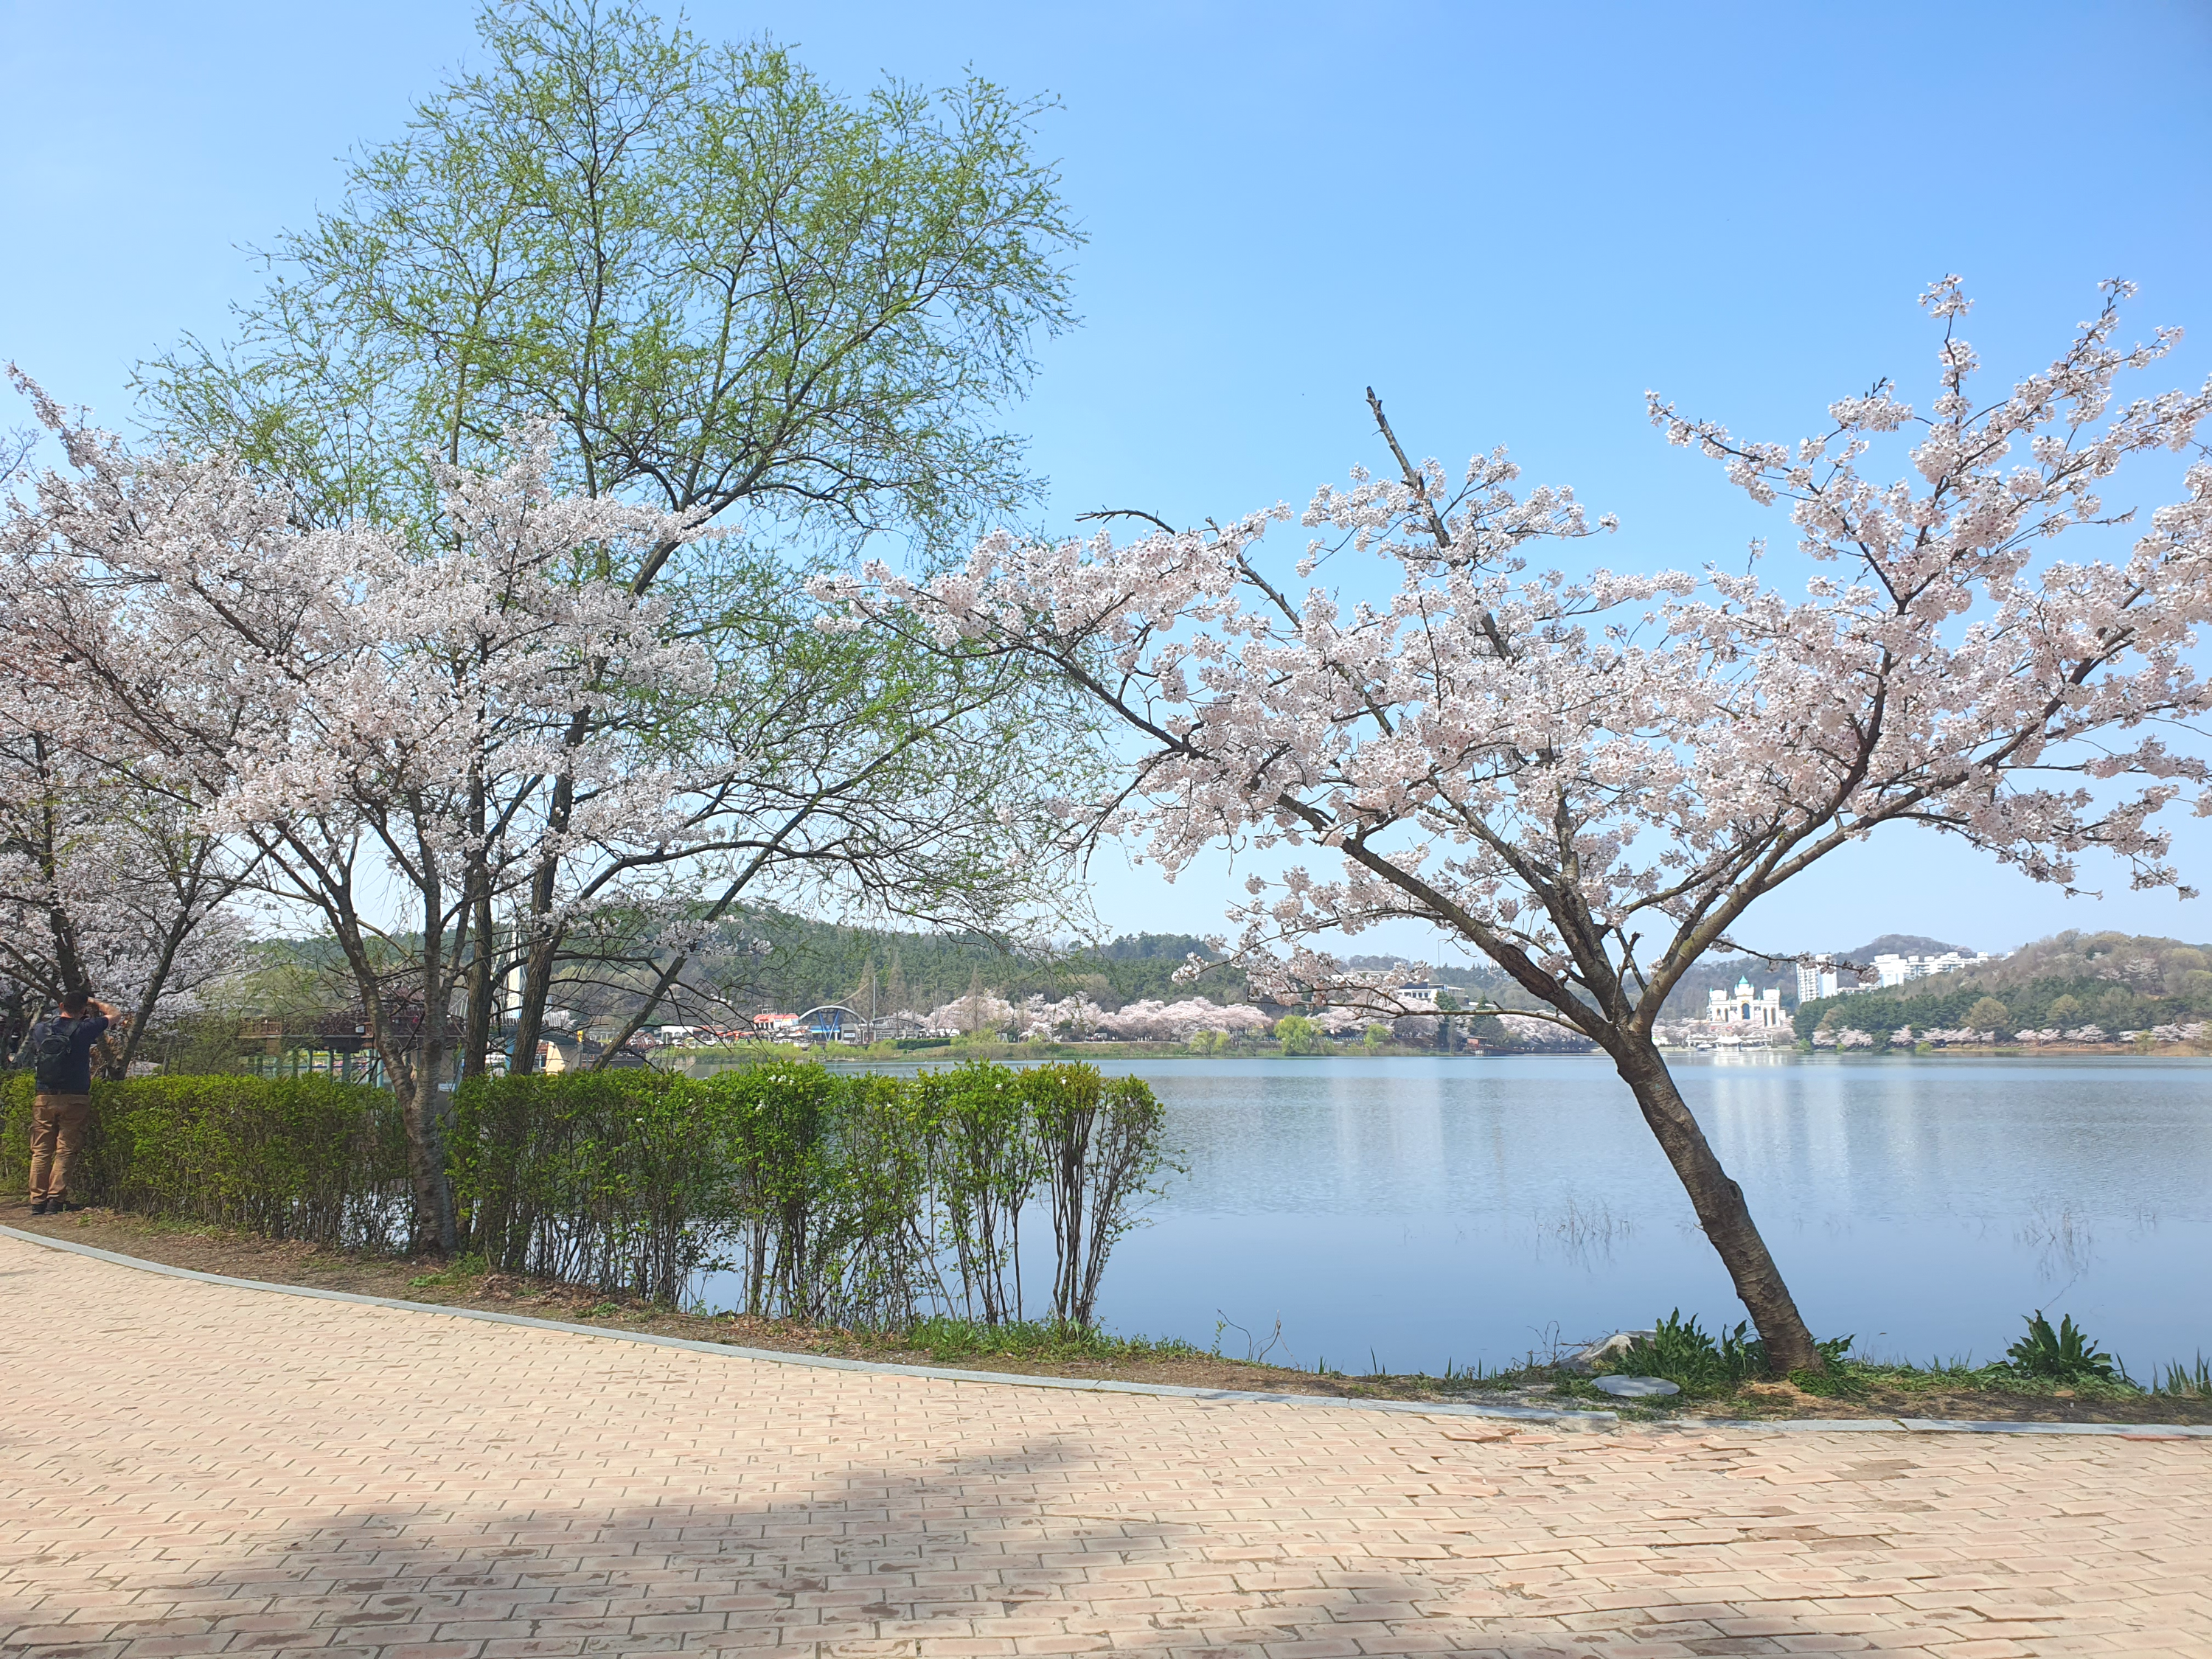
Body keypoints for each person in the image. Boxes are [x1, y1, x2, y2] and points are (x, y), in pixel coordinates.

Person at [24, 990, 116, 1216]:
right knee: (65, 1149)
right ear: (83, 1010)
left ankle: (37, 1201)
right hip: (75, 1097)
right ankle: (56, 1200)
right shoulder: (85, 1029)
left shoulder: (41, 1030)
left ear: (61, 1005)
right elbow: (115, 1014)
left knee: (41, 1151)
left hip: (44, 1096)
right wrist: (94, 1001)